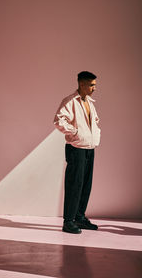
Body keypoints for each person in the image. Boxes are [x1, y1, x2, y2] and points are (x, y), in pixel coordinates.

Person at [53, 71, 101, 234]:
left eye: (95, 85)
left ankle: (79, 218)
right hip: (76, 149)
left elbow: (94, 122)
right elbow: (59, 120)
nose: (95, 88)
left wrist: (95, 135)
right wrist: (75, 132)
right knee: (74, 185)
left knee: (86, 185)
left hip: (89, 148)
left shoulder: (90, 102)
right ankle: (68, 221)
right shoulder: (70, 101)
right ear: (82, 84)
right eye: (92, 85)